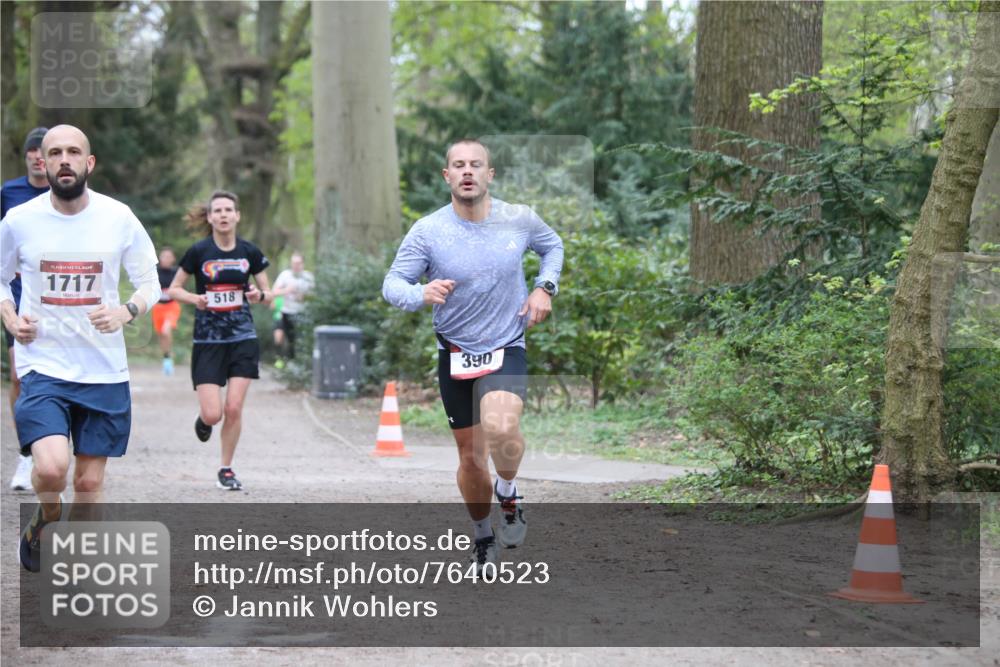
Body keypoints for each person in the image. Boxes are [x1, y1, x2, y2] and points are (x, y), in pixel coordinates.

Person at [382, 138, 563, 573]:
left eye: (475, 164)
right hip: (455, 352)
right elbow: (392, 283)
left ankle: (509, 490)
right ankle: (483, 536)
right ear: (447, 176)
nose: (467, 171)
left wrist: (544, 287)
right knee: (469, 458)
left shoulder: (518, 219)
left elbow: (552, 246)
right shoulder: (427, 230)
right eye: (458, 165)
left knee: (503, 430)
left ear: (489, 174)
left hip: (505, 344)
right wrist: (418, 292)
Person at [0, 124, 160, 571]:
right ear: (42, 162)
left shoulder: (118, 217)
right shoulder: (20, 221)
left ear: (89, 163)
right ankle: (48, 515)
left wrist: (127, 310)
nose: (64, 159)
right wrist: (10, 316)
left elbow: (151, 281)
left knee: (89, 484)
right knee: (51, 470)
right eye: (55, 153)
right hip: (43, 365)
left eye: (73, 152)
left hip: (104, 370)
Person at [168, 190, 271, 491]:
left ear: (237, 215)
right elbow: (174, 289)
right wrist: (195, 298)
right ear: (210, 217)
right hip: (208, 340)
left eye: (229, 210)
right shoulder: (198, 252)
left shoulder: (250, 252)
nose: (224, 215)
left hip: (242, 338)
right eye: (218, 211)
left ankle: (226, 468)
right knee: (214, 414)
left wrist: (258, 295)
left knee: (234, 408)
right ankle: (203, 420)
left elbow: (268, 293)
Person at [2, 127, 51, 492]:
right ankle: (25, 455)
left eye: (43, 150)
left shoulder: (67, 193)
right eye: (32, 150)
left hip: (60, 296)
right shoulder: (9, 193)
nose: (38, 156)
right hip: (18, 296)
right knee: (19, 376)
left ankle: (55, 448)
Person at [271, 251, 314, 360]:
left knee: (294, 340)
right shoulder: (285, 275)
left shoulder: (308, 277)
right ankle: (278, 359)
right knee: (278, 336)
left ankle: (293, 362)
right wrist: (286, 290)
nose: (296, 265)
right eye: (293, 263)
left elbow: (315, 297)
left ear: (303, 263)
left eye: (298, 263)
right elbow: (273, 291)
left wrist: (304, 297)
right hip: (284, 311)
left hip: (300, 313)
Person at [152, 247, 181, 375]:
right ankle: (167, 358)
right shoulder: (154, 272)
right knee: (161, 335)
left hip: (172, 305)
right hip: (158, 307)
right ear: (159, 258)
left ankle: (168, 358)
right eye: (164, 256)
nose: (166, 259)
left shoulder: (177, 272)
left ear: (173, 259)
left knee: (166, 330)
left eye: (169, 257)